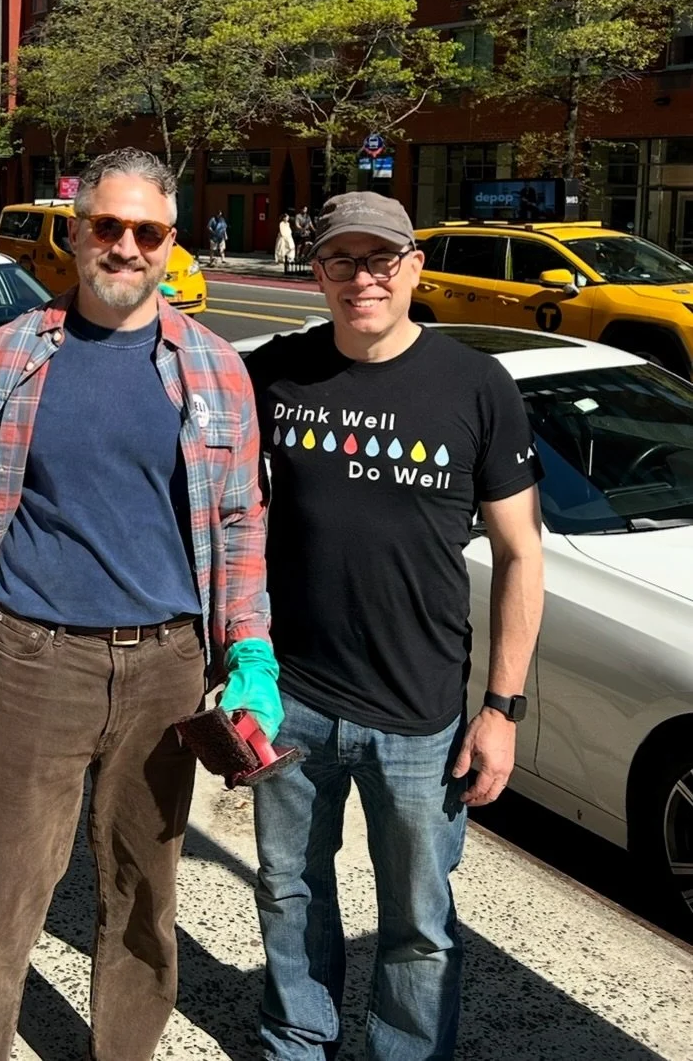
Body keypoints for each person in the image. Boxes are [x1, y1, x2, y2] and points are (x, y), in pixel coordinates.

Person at [0, 146, 281, 1061]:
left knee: (142, 889)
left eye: (146, 232)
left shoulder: (214, 371)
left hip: (168, 667)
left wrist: (249, 650)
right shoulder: (4, 355)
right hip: (34, 656)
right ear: (76, 232)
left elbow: (239, 523)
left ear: (172, 244)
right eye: (107, 226)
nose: (124, 246)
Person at [244, 192, 544, 1061]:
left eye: (381, 260)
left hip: (419, 715)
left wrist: (501, 708)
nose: (362, 278)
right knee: (288, 892)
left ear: (414, 268)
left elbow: (521, 553)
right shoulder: (276, 374)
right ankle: (298, 1039)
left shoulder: (474, 386)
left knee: (418, 920)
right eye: (342, 261)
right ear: (318, 273)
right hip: (290, 697)